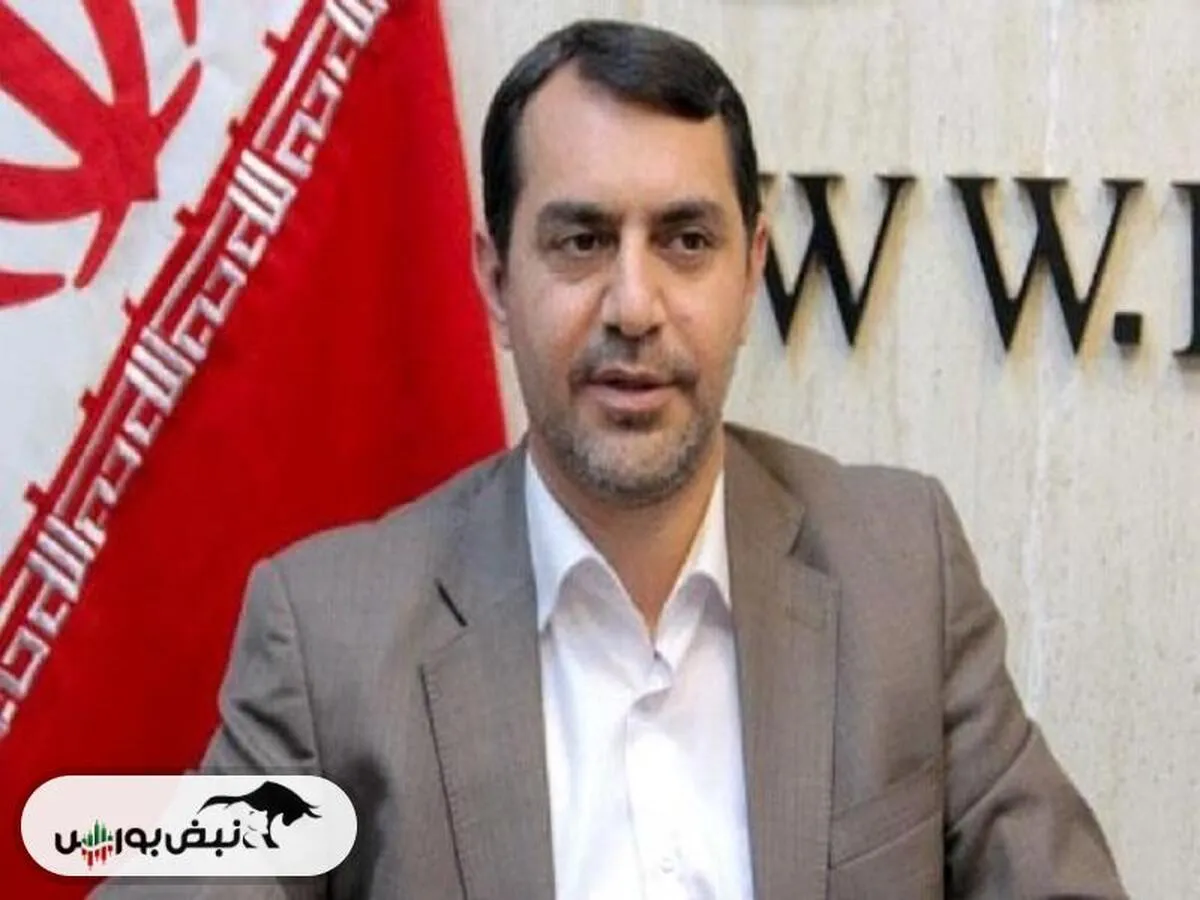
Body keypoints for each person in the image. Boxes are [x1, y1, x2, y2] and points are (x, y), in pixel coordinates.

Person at [96, 18, 1126, 899]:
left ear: (750, 272)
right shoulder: (331, 639)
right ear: (496, 280)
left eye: (685, 241)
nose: (635, 306)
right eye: (582, 241)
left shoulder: (901, 571)